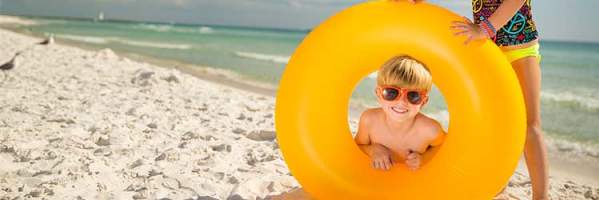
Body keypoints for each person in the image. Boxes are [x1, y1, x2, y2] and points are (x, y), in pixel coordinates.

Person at [354, 55, 445, 171]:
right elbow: (357, 146)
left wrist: (424, 158)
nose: (401, 102)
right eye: (391, 92)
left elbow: (444, 147)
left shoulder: (431, 130)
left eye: (413, 96)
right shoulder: (369, 120)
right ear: (379, 93)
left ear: (423, 101)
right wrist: (373, 149)